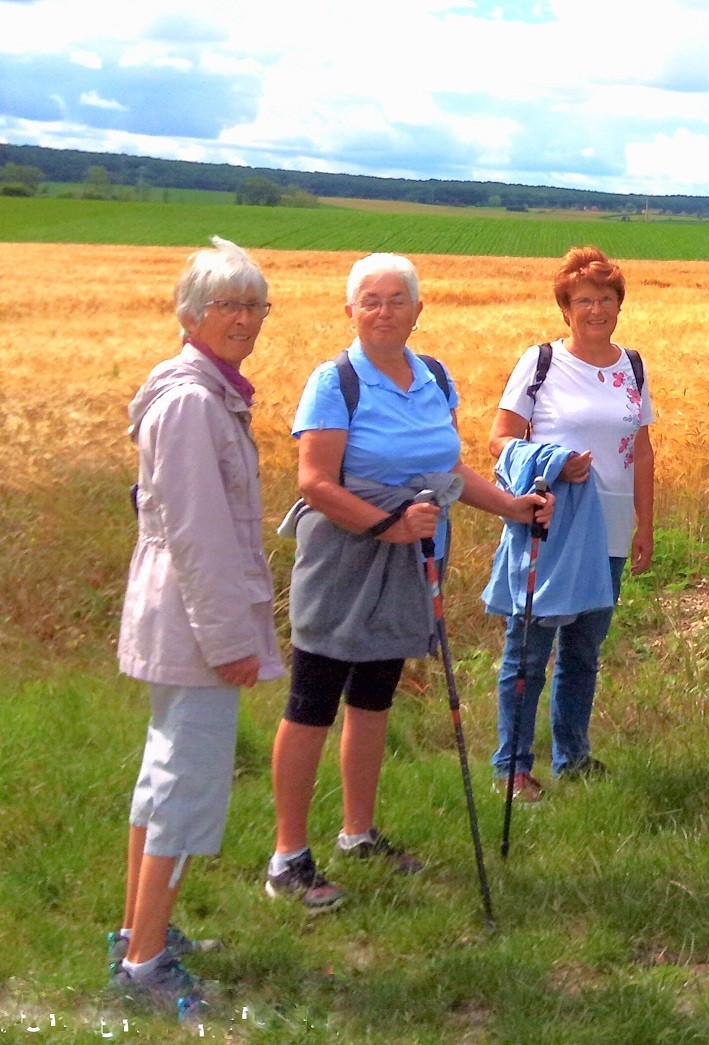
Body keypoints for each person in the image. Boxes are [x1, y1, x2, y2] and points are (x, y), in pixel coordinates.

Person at [267, 253, 551, 910]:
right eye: (371, 299)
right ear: (350, 310)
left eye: (398, 298)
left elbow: (449, 466)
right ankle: (288, 857)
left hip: (415, 553)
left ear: (418, 310)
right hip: (345, 558)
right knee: (313, 698)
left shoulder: (434, 377)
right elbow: (313, 482)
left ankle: (357, 834)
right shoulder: (334, 382)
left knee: (374, 694)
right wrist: (385, 523)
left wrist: (512, 505)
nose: (384, 310)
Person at [109, 237, 283, 1017]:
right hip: (194, 625)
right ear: (190, 314)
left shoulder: (204, 392)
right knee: (184, 787)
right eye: (229, 304)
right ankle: (146, 966)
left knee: (163, 778)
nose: (245, 318)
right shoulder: (189, 402)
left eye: (255, 304)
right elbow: (200, 537)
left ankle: (140, 932)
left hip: (181, 619)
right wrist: (232, 641)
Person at [486, 246, 655, 798]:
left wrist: (644, 524)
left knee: (584, 650)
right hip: (553, 528)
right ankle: (513, 768)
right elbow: (500, 438)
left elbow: (643, 449)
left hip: (608, 530)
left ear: (619, 306)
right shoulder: (541, 364)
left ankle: (573, 757)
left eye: (606, 299)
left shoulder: (632, 366)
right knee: (529, 650)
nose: (596, 310)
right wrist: (555, 461)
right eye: (584, 300)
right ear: (566, 308)